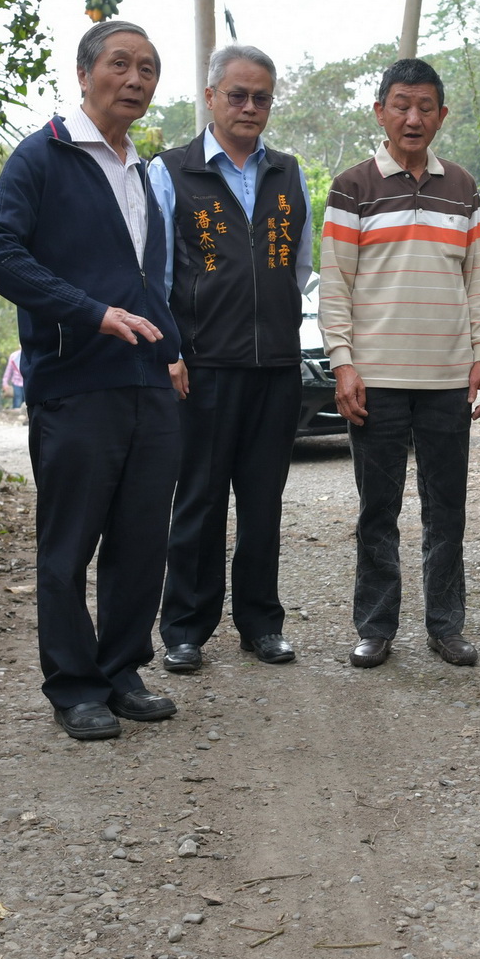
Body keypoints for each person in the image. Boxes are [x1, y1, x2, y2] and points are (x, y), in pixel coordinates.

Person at [0, 20, 188, 741]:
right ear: (85, 71)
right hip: (75, 381)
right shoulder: (44, 157)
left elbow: (148, 279)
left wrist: (173, 349)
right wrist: (89, 314)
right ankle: (74, 685)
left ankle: (123, 669)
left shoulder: (142, 170)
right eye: (120, 64)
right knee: (70, 542)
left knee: (142, 537)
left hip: (147, 383)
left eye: (148, 69)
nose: (135, 79)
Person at [319, 57, 480, 669]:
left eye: (425, 107)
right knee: (378, 510)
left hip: (447, 378)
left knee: (447, 509)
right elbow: (335, 286)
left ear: (442, 115)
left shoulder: (463, 188)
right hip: (376, 382)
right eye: (401, 105)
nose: (413, 118)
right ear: (381, 111)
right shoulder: (353, 187)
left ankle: (446, 627)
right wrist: (343, 363)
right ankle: (375, 626)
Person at [156, 45, 312, 673]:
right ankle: (186, 628)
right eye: (239, 95)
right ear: (211, 97)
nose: (251, 107)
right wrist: (172, 349)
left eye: (262, 97)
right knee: (197, 498)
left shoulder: (288, 172)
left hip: (273, 368)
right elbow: (158, 271)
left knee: (263, 500)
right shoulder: (172, 171)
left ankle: (260, 623)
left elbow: (296, 268)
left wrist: (276, 331)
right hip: (204, 366)